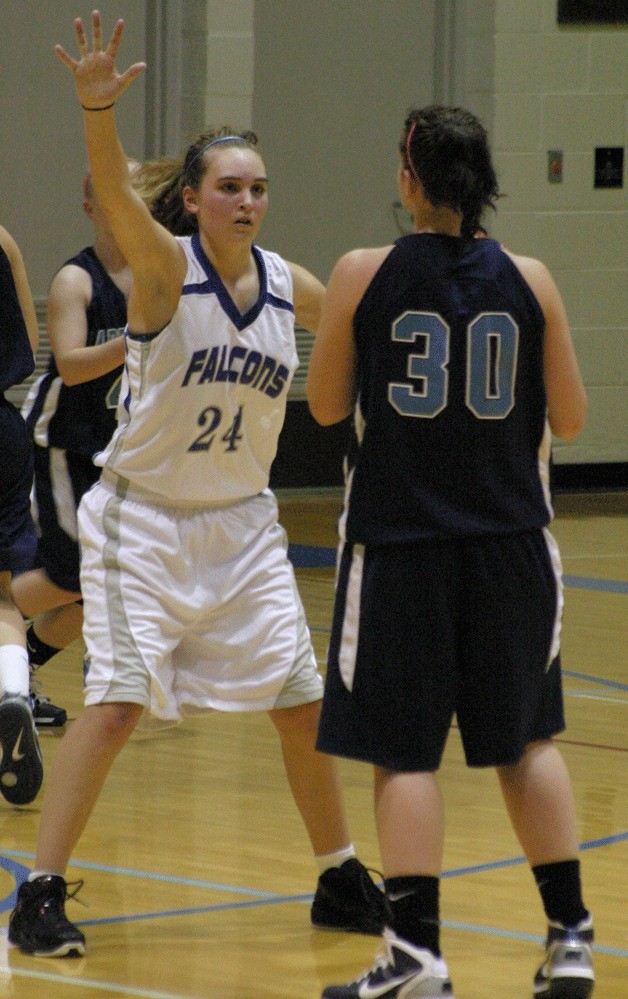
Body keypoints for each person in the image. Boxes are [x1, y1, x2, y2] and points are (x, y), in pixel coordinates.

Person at [8, 12, 384, 958]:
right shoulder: (161, 273)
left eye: (258, 187)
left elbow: (370, 320)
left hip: (244, 525)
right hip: (147, 522)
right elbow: (115, 197)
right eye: (229, 187)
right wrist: (98, 112)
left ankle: (339, 871)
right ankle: (37, 893)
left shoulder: (287, 279)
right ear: (193, 196)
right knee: (119, 702)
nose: (248, 201)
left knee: (301, 699)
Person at [306, 105, 593, 999]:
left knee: (405, 755)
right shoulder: (532, 276)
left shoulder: (362, 271)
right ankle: (571, 937)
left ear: (410, 178)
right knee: (527, 741)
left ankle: (419, 957)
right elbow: (575, 418)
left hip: (402, 545)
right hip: (510, 544)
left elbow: (321, 408)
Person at [13, 164, 142, 729]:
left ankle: (17, 675)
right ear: (91, 205)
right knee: (71, 573)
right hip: (63, 439)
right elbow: (70, 363)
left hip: (118, 448)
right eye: (114, 188)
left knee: (100, 586)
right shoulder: (77, 279)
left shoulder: (159, 273)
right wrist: (139, 337)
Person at [0, 223, 44, 806]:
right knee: (5, 597)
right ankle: (13, 689)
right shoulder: (6, 239)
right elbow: (29, 351)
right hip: (4, 430)